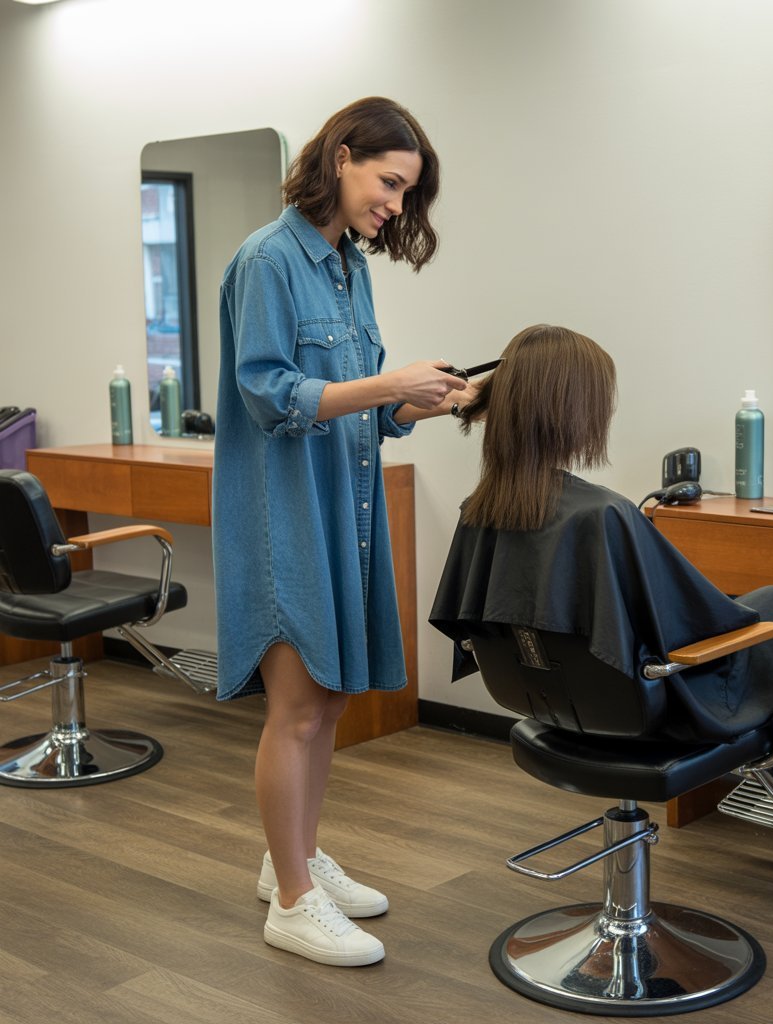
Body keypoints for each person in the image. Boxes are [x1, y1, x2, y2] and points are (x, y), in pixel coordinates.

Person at [213, 97, 476, 968]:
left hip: (342, 505)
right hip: (285, 512)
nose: (395, 206)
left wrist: (432, 399)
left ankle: (290, 857)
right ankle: (293, 902)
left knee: (326, 701)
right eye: (389, 184)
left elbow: (363, 411)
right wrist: (389, 384)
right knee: (296, 709)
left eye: (405, 193)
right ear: (341, 158)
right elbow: (269, 395)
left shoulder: (347, 269)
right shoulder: (267, 261)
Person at [430, 325, 773, 790]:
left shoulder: (481, 510)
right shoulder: (603, 514)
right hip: (656, 712)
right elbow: (696, 622)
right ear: (576, 411)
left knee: (746, 605)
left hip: (551, 702)